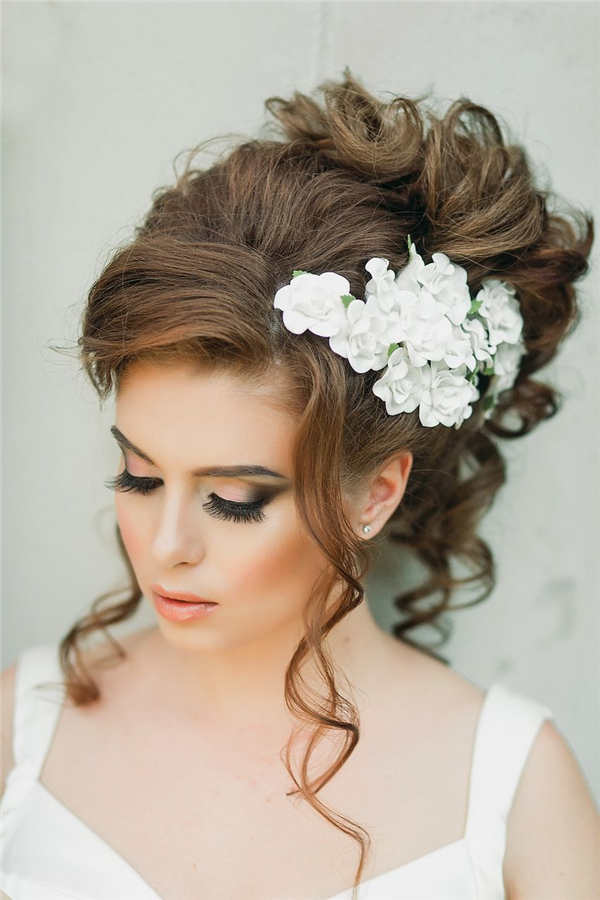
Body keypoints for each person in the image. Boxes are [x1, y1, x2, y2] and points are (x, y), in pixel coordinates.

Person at [1, 68, 599, 900]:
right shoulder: (18, 732)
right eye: (138, 476)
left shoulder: (513, 789)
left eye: (234, 498)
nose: (164, 545)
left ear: (375, 494)